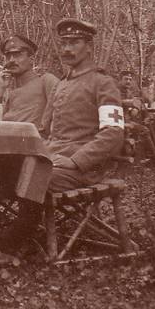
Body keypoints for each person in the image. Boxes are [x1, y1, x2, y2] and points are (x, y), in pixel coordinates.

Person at [41, 19, 125, 192]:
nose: (67, 49)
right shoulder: (61, 84)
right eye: (64, 43)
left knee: (35, 178)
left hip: (84, 169)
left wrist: (76, 161)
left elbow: (113, 133)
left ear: (89, 47)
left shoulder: (103, 83)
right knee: (5, 173)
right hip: (53, 159)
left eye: (74, 43)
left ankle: (27, 220)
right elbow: (45, 129)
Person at [0, 33, 58, 126]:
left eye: (17, 55)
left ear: (31, 59)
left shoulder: (46, 81)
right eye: (8, 56)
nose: (11, 60)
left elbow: (64, 113)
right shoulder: (9, 91)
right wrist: (1, 89)